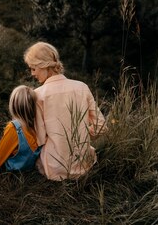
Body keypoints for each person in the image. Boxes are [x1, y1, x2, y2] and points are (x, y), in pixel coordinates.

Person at [24, 41, 106, 181]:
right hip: (84, 165)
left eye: (33, 68)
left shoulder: (38, 94)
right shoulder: (82, 87)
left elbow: (40, 138)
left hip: (54, 168)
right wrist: (84, 135)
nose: (32, 74)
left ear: (43, 65)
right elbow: (101, 126)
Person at [0, 85, 41, 173]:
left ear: (13, 105)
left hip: (13, 165)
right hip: (27, 164)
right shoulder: (35, 124)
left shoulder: (14, 127)